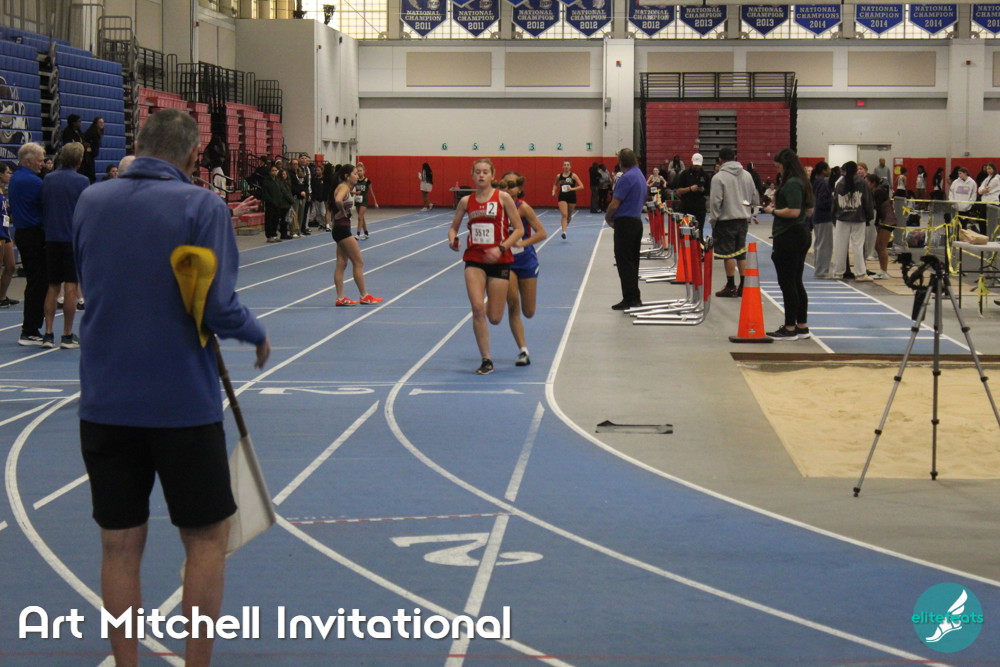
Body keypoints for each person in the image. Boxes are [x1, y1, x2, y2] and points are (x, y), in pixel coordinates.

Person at [71, 107, 270, 667]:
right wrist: (255, 333)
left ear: (137, 143)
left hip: (106, 399)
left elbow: (91, 280)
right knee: (206, 539)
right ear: (192, 155)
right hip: (182, 402)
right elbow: (216, 305)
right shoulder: (201, 206)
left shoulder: (91, 201)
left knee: (118, 544)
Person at [448, 158, 524, 374]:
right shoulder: (466, 201)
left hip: (500, 260)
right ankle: (486, 359)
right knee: (477, 309)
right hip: (474, 260)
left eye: (485, 172)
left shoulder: (503, 198)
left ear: (492, 175)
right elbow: (453, 228)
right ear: (472, 175)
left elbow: (518, 229)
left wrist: (501, 248)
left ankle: (493, 298)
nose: (481, 175)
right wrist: (453, 239)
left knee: (495, 317)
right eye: (478, 172)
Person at [761, 148, 814, 340]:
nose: (778, 170)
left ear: (786, 165)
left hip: (788, 235)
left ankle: (790, 327)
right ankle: (802, 325)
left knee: (787, 282)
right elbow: (808, 211)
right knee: (796, 281)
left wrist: (773, 211)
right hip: (801, 232)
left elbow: (793, 211)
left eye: (778, 167)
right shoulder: (803, 182)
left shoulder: (792, 183)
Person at [40, 142, 88, 348]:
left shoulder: (48, 179)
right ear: (79, 160)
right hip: (71, 239)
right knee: (71, 286)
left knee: (52, 286)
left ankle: (48, 333)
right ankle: (67, 334)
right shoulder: (82, 181)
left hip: (51, 238)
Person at [499, 171, 547, 367]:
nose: (508, 189)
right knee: (513, 304)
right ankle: (523, 350)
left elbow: (542, 233)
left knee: (529, 311)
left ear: (519, 188)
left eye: (512, 185)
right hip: (507, 262)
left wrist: (522, 243)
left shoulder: (524, 208)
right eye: (505, 185)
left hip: (526, 261)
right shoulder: (497, 208)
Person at [328, 163, 383, 306]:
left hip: (339, 229)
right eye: (354, 173)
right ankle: (364, 295)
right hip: (342, 230)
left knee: (341, 263)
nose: (357, 176)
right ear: (347, 176)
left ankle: (340, 298)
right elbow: (338, 200)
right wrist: (342, 210)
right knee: (358, 262)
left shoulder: (345, 187)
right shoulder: (344, 187)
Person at [9, 142, 46, 345]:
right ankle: (30, 329)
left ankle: (31, 327)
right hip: (33, 234)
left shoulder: (16, 177)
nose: (42, 164)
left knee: (35, 281)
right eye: (40, 160)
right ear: (29, 161)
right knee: (38, 282)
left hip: (24, 233)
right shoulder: (33, 182)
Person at [709, 147, 759, 298]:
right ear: (735, 157)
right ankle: (743, 285)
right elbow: (754, 196)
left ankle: (730, 286)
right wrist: (751, 214)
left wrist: (714, 220)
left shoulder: (719, 177)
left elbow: (715, 202)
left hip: (726, 220)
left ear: (720, 159)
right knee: (740, 253)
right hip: (742, 220)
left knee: (727, 254)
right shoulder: (747, 175)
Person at [605, 148, 645, 311]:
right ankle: (635, 296)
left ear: (621, 162)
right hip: (636, 222)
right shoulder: (640, 175)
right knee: (633, 261)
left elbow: (615, 204)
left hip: (625, 224)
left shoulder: (626, 178)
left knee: (624, 262)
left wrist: (608, 217)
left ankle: (629, 298)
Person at [831, 161, 875, 282]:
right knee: (858, 247)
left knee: (840, 246)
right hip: (858, 218)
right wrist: (869, 217)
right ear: (856, 170)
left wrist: (834, 217)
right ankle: (860, 274)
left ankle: (838, 272)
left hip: (842, 218)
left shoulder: (840, 183)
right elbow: (867, 201)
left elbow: (835, 201)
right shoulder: (862, 183)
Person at [674, 153, 711, 233]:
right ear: (691, 162)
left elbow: (709, 191)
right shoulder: (684, 174)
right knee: (686, 231)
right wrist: (690, 189)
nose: (697, 167)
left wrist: (703, 190)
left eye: (698, 165)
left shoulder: (705, 175)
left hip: (700, 208)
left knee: (699, 231)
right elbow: (678, 191)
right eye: (695, 165)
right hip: (687, 207)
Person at [866, 173, 895, 281]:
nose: (865, 184)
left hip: (888, 221)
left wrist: (877, 223)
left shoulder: (878, 192)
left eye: (867, 182)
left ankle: (884, 272)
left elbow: (878, 209)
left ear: (873, 183)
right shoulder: (874, 192)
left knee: (881, 246)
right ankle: (882, 271)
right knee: (877, 247)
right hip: (883, 221)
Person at [0, 161, 19, 308]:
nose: (10, 175)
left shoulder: (3, 191)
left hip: (5, 231)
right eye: (7, 172)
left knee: (11, 266)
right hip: (0, 233)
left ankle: (2, 296)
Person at [810, 161, 834, 279]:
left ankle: (819, 269)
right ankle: (822, 272)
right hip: (824, 217)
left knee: (819, 244)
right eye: (828, 168)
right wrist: (832, 203)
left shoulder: (815, 182)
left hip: (816, 217)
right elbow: (822, 202)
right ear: (824, 170)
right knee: (825, 245)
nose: (830, 170)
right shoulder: (823, 184)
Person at [260, 163, 295, 242]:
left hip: (278, 204)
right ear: (269, 172)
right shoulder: (266, 182)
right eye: (272, 170)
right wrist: (272, 201)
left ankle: (274, 234)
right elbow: (265, 194)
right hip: (270, 204)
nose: (274, 172)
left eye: (275, 170)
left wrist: (279, 200)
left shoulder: (278, 181)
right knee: (269, 220)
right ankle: (269, 236)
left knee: (275, 220)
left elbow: (281, 191)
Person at [552, 160, 583, 239]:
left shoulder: (573, 175)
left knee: (569, 215)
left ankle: (565, 227)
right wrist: (553, 191)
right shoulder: (559, 176)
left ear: (570, 167)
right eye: (565, 165)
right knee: (564, 214)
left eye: (568, 165)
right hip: (562, 196)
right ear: (562, 166)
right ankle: (564, 232)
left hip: (571, 197)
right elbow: (555, 184)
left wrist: (572, 188)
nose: (566, 166)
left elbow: (581, 186)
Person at [949, 167, 979, 231]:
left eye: (960, 173)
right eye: (958, 174)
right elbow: (951, 192)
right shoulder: (955, 182)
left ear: (965, 173)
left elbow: (974, 194)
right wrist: (951, 201)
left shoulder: (972, 183)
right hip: (956, 207)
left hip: (966, 207)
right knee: (955, 224)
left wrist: (970, 203)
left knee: (964, 224)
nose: (959, 175)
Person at [354, 161, 378, 240]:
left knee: (360, 217)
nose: (359, 172)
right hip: (357, 201)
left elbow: (371, 192)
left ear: (364, 171)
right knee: (362, 218)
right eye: (358, 171)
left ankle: (358, 234)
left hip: (364, 201)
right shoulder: (355, 180)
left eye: (360, 171)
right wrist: (355, 192)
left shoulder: (367, 181)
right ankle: (366, 233)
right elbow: (350, 190)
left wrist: (375, 202)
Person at [80, 117, 104, 183]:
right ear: (96, 123)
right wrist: (86, 148)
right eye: (100, 122)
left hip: (91, 157)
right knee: (90, 176)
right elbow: (83, 140)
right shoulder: (91, 132)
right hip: (87, 158)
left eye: (103, 122)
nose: (102, 124)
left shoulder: (97, 133)